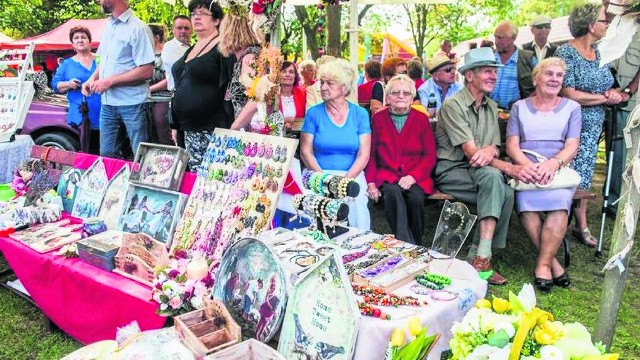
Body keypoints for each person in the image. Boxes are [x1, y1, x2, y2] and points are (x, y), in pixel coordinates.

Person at [435, 47, 540, 285]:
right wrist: (511, 168)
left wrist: (492, 150)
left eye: (495, 71)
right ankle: (483, 257)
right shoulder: (453, 105)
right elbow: (471, 153)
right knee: (497, 182)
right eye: (487, 71)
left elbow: (493, 146)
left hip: (481, 171)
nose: (494, 76)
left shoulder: (491, 106)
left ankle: (478, 254)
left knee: (506, 189)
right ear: (469, 75)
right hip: (452, 171)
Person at [506, 57, 581, 292]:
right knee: (527, 203)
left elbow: (572, 145)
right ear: (536, 78)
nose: (554, 79)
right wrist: (527, 166)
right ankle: (554, 264)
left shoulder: (572, 108)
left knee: (560, 203)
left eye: (559, 76)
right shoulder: (519, 107)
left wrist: (552, 164)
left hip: (558, 169)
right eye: (549, 74)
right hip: (527, 167)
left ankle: (543, 264)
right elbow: (512, 146)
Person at [555, 3, 626, 247]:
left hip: (595, 122)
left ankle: (579, 223)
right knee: (570, 170)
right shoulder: (566, 53)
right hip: (571, 122)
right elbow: (569, 93)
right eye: (604, 20)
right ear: (590, 25)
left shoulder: (601, 53)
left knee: (586, 171)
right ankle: (563, 221)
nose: (607, 25)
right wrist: (605, 98)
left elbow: (607, 85)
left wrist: (613, 94)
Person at [300, 58, 372, 231]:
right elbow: (305, 152)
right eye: (322, 82)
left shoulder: (360, 114)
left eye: (329, 83)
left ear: (344, 87)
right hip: (318, 174)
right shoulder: (313, 113)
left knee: (357, 201)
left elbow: (364, 154)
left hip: (351, 174)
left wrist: (345, 182)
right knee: (316, 202)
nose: (323, 87)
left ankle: (357, 245)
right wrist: (325, 181)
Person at [365, 74, 436, 244]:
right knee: (392, 193)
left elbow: (430, 155)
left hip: (416, 176)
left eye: (406, 93)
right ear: (387, 97)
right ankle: (408, 244)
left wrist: (413, 177)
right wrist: (371, 182)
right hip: (387, 175)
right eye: (395, 93)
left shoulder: (421, 119)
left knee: (416, 198)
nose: (401, 96)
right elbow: (372, 154)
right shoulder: (378, 119)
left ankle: (414, 242)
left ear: (412, 98)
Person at [82, 0, 155, 159]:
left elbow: (147, 70)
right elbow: (105, 62)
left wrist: (109, 82)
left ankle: (140, 185)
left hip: (134, 103)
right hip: (108, 104)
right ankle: (114, 184)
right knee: (107, 156)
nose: (98, 1)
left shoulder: (139, 28)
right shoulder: (109, 26)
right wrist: (92, 79)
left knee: (142, 157)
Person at [172, 0, 233, 170]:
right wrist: (176, 123)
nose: (196, 17)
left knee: (209, 180)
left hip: (211, 128)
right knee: (192, 178)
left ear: (216, 20)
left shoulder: (224, 48)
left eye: (203, 13)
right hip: (187, 127)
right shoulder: (192, 48)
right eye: (193, 14)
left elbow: (234, 87)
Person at [51, 26, 101, 154]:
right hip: (81, 116)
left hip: (105, 112)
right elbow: (55, 85)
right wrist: (68, 84)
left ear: (90, 41)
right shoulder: (66, 64)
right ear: (72, 44)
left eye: (83, 37)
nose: (80, 40)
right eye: (76, 38)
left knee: (106, 152)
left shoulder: (101, 60)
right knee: (87, 152)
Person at [230, 61, 306, 135]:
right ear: (277, 75)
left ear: (295, 75)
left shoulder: (303, 93)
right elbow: (265, 119)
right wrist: (287, 120)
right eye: (283, 71)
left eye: (291, 72)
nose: (287, 74)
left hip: (299, 136)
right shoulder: (270, 93)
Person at [218, 3, 262, 120]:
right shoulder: (247, 56)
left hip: (250, 130)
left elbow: (256, 99)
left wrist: (235, 127)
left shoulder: (250, 57)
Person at [161, 15, 192, 148]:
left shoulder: (193, 47)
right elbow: (185, 70)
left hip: (192, 99)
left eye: (186, 28)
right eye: (179, 28)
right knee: (180, 141)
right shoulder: (170, 47)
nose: (183, 31)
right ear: (173, 30)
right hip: (178, 97)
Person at [490, 21, 537, 109]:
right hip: (488, 113)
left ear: (513, 38)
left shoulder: (528, 59)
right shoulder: (488, 57)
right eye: (495, 37)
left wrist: (523, 104)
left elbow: (541, 85)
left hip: (516, 114)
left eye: (500, 38)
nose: (496, 41)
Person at [147, 23, 173, 145]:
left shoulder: (166, 54)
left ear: (156, 38)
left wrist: (149, 89)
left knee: (163, 135)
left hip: (163, 99)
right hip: (147, 100)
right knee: (151, 137)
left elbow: (169, 80)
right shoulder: (146, 56)